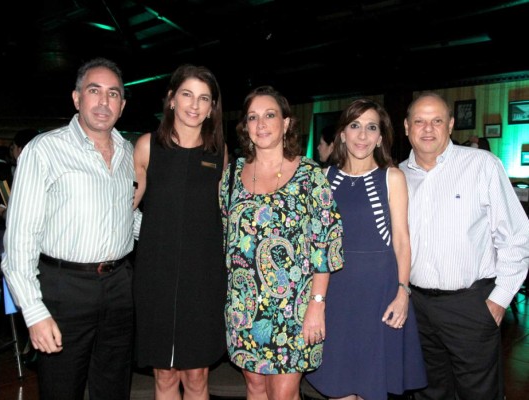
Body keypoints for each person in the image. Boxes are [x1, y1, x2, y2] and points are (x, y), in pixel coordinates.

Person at [1, 57, 136, 400]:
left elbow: (127, 216)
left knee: (114, 388)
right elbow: (19, 239)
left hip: (119, 286)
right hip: (64, 288)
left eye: (113, 94)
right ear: (77, 98)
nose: (103, 102)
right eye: (94, 91)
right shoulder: (45, 150)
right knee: (62, 390)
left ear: (122, 105)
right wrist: (33, 312)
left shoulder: (127, 152)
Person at [400, 92, 529, 400]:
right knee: (428, 391)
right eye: (419, 121)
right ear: (406, 127)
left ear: (451, 125)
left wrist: (499, 299)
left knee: (480, 393)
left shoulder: (481, 165)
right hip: (416, 306)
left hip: (470, 305)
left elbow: (516, 236)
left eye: (437, 121)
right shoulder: (398, 175)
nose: (428, 129)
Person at [219, 85, 344, 399]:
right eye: (253, 117)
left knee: (283, 393)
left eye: (270, 115)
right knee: (254, 387)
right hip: (243, 306)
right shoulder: (231, 176)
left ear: (286, 123)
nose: (261, 124)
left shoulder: (309, 175)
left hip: (293, 309)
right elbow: (227, 239)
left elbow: (324, 246)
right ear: (245, 126)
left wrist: (316, 305)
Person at [306, 99, 427, 399]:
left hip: (380, 292)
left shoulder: (392, 177)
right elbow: (314, 245)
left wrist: (403, 292)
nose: (362, 135)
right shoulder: (323, 178)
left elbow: (401, 239)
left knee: (371, 387)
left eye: (371, 127)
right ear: (342, 135)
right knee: (339, 387)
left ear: (380, 137)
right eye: (354, 126)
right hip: (336, 293)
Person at [133, 64, 227, 400]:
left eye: (204, 98)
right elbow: (124, 205)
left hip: (203, 281)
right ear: (172, 99)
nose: (194, 104)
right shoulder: (146, 146)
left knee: (198, 377)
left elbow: (225, 215)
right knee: (164, 377)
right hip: (155, 278)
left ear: (211, 107)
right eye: (187, 94)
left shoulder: (218, 153)